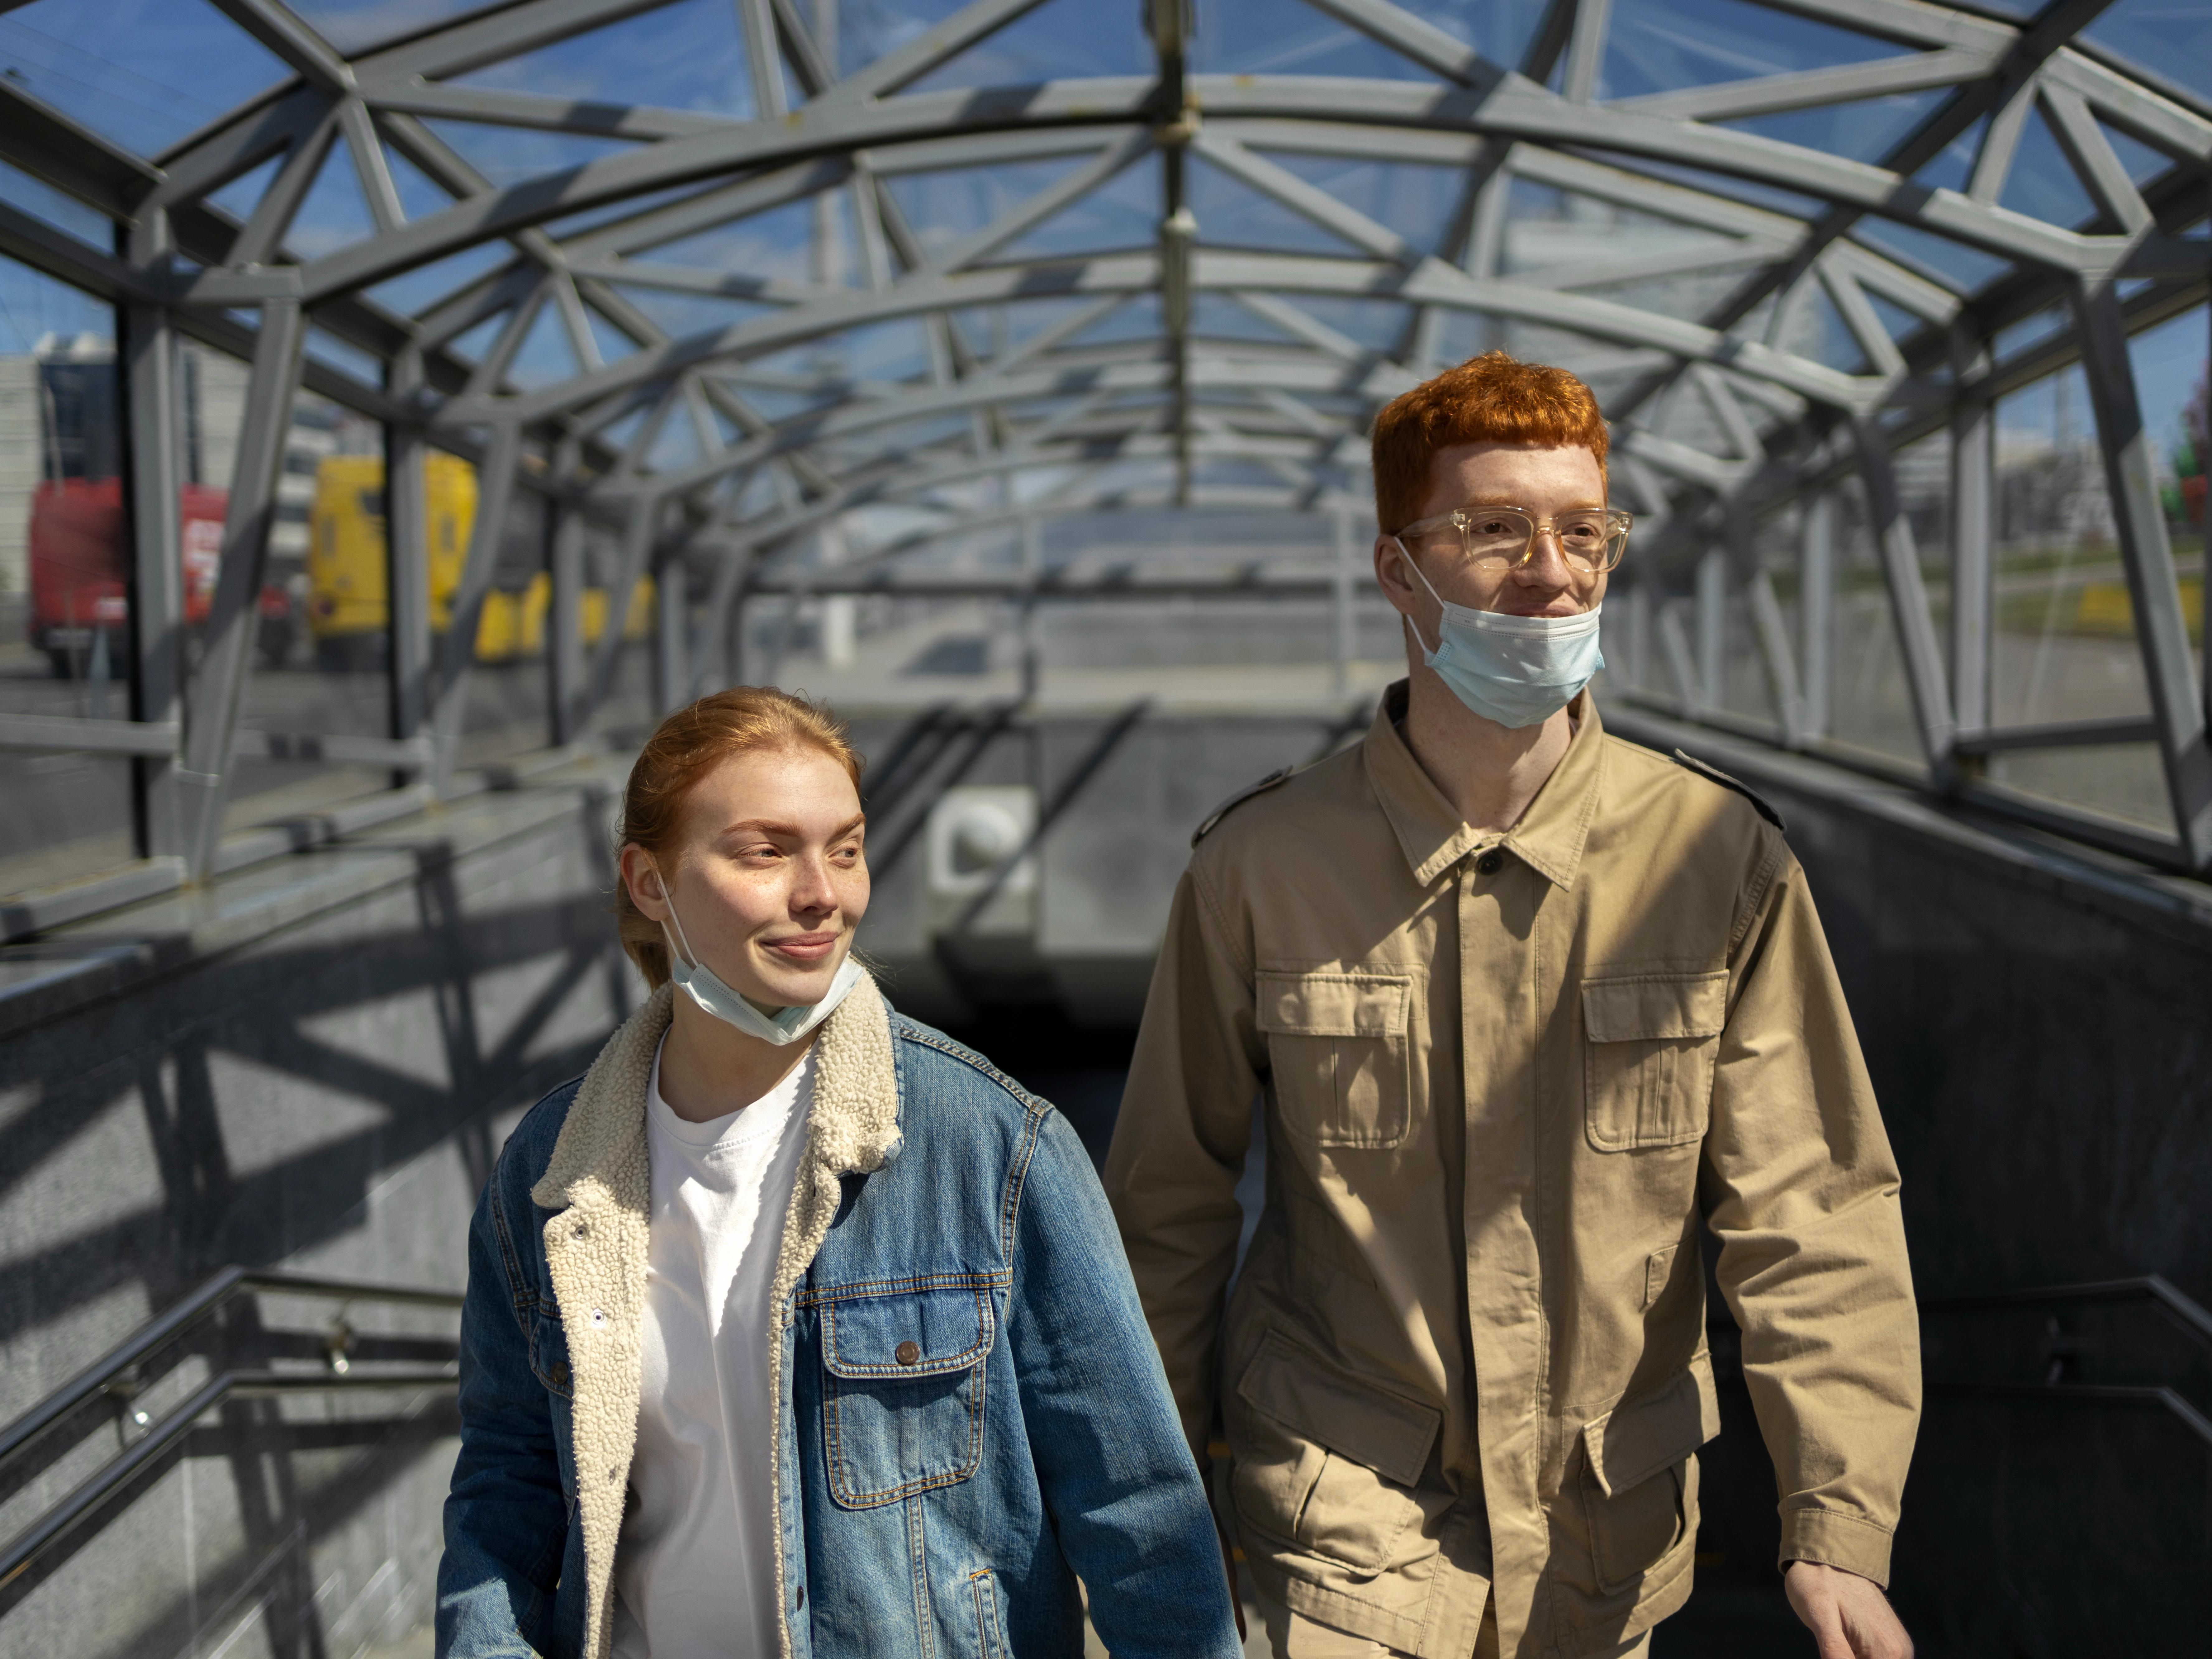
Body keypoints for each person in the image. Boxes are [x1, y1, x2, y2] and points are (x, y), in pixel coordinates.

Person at [1104, 352, 1919, 1659]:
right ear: (1398, 572)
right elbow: (1166, 1214)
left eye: (1583, 529)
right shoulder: (1259, 868)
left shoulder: (1718, 857)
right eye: (1493, 530)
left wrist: (1838, 1524)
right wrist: (1131, 1529)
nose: (1550, 571)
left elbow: (1810, 1206)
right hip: (1339, 1534)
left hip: (1610, 1547)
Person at [437, 687, 1241, 1659]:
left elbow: (1141, 1513)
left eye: (847, 848)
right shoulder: (556, 1171)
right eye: (765, 852)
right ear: (650, 882)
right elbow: (505, 1486)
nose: (823, 893)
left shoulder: (990, 1147)